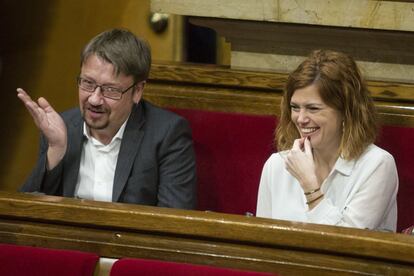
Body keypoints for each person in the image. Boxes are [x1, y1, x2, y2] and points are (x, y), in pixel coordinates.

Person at [17, 28, 197, 209]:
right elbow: (27, 213)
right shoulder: (61, 128)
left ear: (137, 91)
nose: (94, 99)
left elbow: (173, 221)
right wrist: (56, 150)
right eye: (88, 83)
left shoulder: (166, 133)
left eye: (110, 89)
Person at [256, 49, 398, 231]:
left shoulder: (377, 165)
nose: (300, 118)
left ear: (346, 112)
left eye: (313, 108)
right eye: (295, 107)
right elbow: (262, 241)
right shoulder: (276, 166)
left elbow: (347, 247)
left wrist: (310, 187)